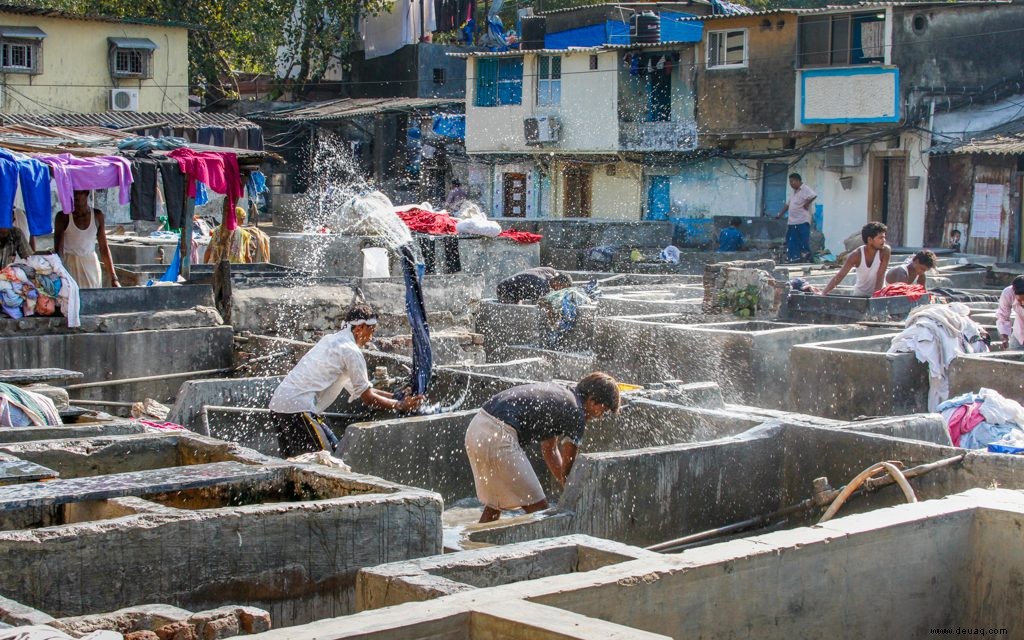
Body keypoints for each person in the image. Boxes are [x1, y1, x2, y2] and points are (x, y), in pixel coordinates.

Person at [269, 304, 425, 457]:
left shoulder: (331, 341)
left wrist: (395, 396)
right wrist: (400, 405)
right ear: (359, 328)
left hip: (278, 405)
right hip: (298, 408)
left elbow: (362, 389)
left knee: (298, 462)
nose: (371, 337)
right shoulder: (351, 351)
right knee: (326, 463)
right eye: (371, 331)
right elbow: (368, 397)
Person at [465, 372, 621, 523]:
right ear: (593, 401)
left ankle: (473, 545)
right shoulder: (577, 413)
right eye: (603, 410)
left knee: (495, 505)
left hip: (477, 427)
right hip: (499, 433)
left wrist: (565, 487)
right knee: (541, 511)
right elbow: (568, 467)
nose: (599, 417)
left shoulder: (562, 396)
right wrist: (573, 497)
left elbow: (550, 450)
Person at [53, 190, 119, 288]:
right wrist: (59, 273)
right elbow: (59, 250)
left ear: (87, 193)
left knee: (93, 299)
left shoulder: (97, 215)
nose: (76, 197)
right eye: (73, 193)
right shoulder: (62, 217)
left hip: (91, 267)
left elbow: (104, 248)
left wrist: (114, 278)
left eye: (79, 193)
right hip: (70, 266)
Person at [821, 222, 891, 297]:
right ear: (870, 240)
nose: (884, 240)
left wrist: (875, 297)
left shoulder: (885, 251)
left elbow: (880, 275)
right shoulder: (856, 255)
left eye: (884, 237)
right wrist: (824, 292)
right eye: (881, 238)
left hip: (879, 293)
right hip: (860, 294)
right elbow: (841, 275)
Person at [203, 204, 271, 264]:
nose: (243, 222)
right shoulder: (243, 234)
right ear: (236, 218)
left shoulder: (217, 230)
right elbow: (247, 256)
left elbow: (208, 250)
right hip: (237, 268)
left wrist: (204, 266)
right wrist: (250, 269)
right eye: (242, 219)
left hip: (217, 267)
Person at [776, 173, 817, 263]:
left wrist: (807, 203)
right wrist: (780, 214)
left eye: (792, 181)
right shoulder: (793, 192)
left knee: (803, 241)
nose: (790, 184)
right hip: (792, 221)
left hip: (802, 220)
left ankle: (808, 259)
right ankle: (794, 259)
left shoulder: (805, 188)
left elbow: (813, 195)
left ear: (798, 181)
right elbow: (788, 204)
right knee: (791, 241)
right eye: (790, 182)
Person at [497, 267, 572, 304]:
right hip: (504, 290)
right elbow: (538, 304)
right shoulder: (542, 286)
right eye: (562, 288)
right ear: (558, 282)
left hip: (508, 285)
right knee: (517, 313)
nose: (561, 291)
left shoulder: (551, 272)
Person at [996, 275, 1024, 350]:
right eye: (1020, 300)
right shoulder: (1008, 293)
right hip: (1020, 331)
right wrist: (1005, 338)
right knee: (1014, 353)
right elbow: (1003, 316)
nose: (1022, 303)